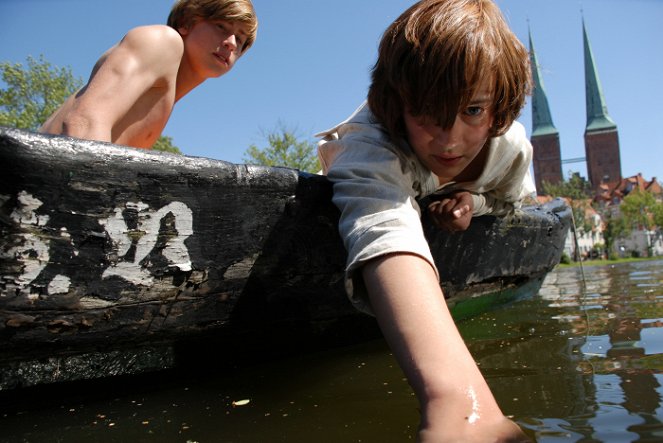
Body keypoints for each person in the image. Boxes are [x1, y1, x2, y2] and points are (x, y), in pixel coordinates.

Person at [316, 0, 535, 441]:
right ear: (397, 105)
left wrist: (473, 202)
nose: (450, 139)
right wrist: (459, 405)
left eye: (472, 110)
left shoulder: (512, 150)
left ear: (498, 110)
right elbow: (382, 224)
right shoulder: (369, 143)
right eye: (427, 111)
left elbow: (512, 203)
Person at [40, 0, 257, 149]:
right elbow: (83, 122)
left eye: (240, 38)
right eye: (221, 26)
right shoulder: (162, 42)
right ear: (186, 23)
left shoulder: (164, 95)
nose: (231, 43)